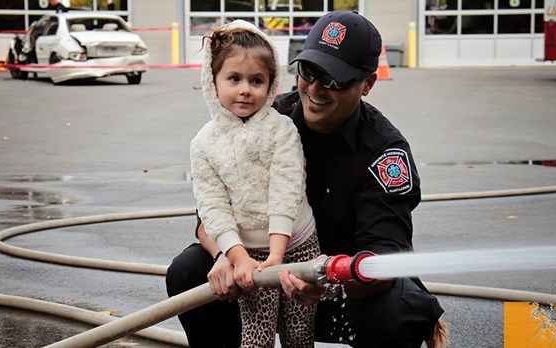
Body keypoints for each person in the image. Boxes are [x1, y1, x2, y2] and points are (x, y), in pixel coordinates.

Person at [167, 11, 447, 348]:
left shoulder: (384, 152)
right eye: (309, 71)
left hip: (343, 292)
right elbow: (209, 213)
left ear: (368, 84)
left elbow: (386, 258)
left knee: (402, 309)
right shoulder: (267, 120)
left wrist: (329, 280)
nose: (315, 88)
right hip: (262, 277)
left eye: (335, 79)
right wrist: (225, 256)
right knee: (189, 269)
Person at [187, 20, 321, 347]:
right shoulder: (204, 144)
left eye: (256, 80)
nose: (245, 89)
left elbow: (285, 191)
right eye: (234, 78)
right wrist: (238, 257)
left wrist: (278, 254)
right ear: (212, 82)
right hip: (248, 252)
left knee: (298, 332)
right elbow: (213, 207)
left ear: (272, 84)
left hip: (298, 243)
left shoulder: (282, 130)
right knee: (257, 334)